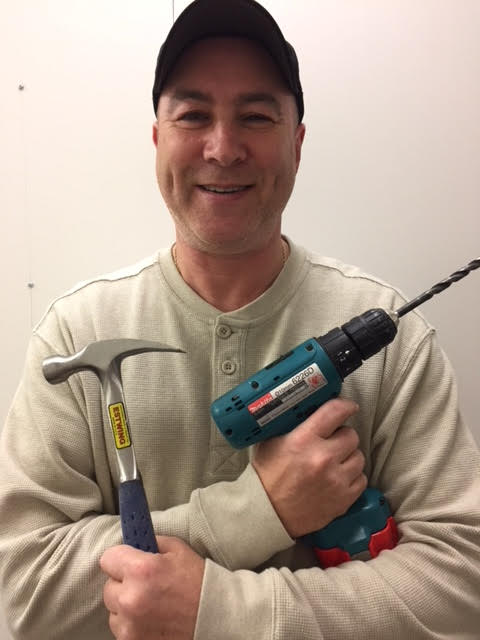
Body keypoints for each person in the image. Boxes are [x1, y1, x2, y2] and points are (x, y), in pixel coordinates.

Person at [1, 0, 479, 638]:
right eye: (193, 115)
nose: (223, 149)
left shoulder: (396, 340)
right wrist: (258, 510)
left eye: (255, 117)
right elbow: (24, 588)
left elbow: (462, 584)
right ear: (157, 139)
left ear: (297, 144)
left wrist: (224, 611)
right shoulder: (76, 330)